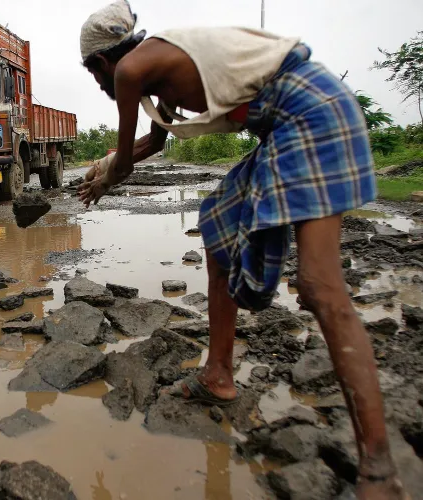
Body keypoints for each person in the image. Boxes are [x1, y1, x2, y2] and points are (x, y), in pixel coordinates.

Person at [77, 1, 408, 498]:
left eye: (94, 76)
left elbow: (125, 163)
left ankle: (380, 473)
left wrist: (105, 177)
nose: (102, 85)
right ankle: (218, 374)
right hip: (282, 128)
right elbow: (154, 144)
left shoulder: (129, 70)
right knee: (216, 230)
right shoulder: (153, 66)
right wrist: (109, 164)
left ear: (100, 63)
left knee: (321, 288)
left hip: (309, 113)